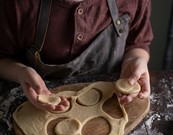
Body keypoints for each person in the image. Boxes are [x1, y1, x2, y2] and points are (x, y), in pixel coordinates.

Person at [0, 0, 153, 111]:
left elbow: (137, 43)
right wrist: (21, 72)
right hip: (41, 109)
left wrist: (135, 60)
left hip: (112, 103)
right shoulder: (17, 5)